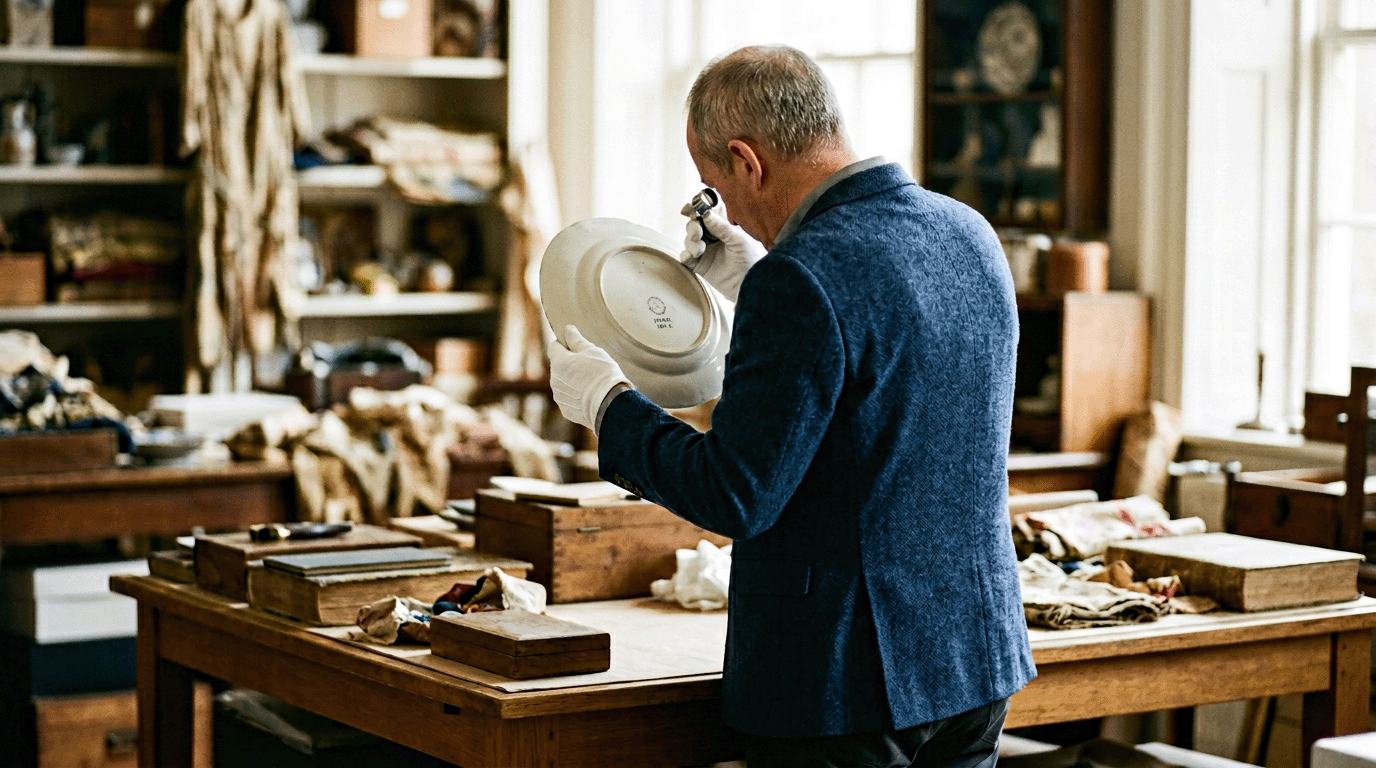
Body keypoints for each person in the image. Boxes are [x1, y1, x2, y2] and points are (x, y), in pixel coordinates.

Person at [546, 44, 1035, 768]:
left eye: (714, 188)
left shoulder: (801, 277)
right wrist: (756, 282)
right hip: (972, 659)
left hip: (845, 685)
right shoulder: (969, 233)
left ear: (746, 162)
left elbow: (735, 492)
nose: (729, 212)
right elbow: (884, 376)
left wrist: (610, 404)